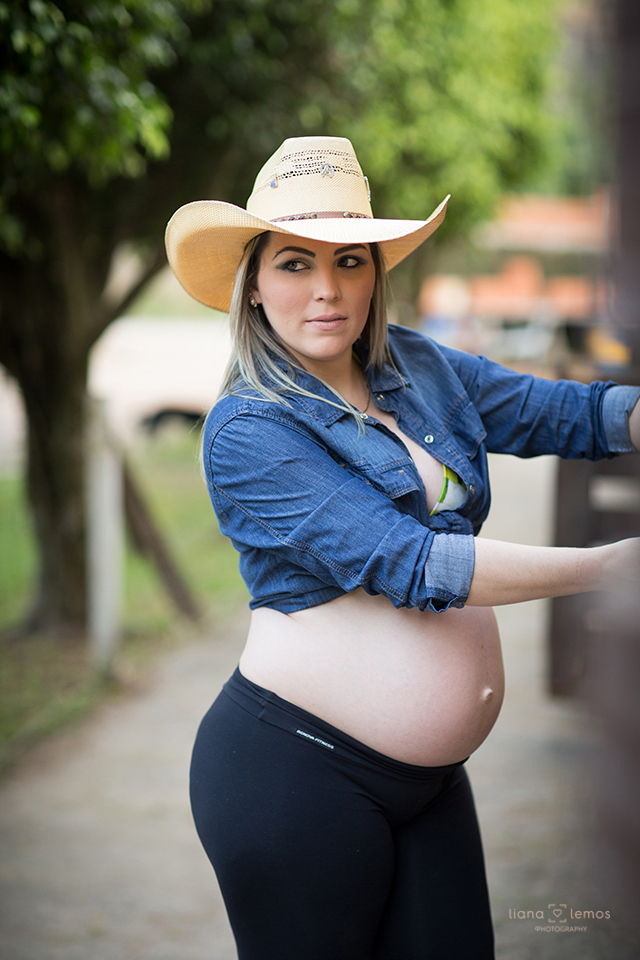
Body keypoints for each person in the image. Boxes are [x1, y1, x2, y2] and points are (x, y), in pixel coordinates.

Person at [165, 136, 640, 960]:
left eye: (349, 259)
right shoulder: (247, 430)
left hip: (426, 782)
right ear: (251, 288)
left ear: (376, 271)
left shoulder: (416, 364)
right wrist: (608, 568)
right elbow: (418, 568)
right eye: (293, 263)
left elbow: (567, 413)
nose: (326, 289)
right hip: (297, 777)